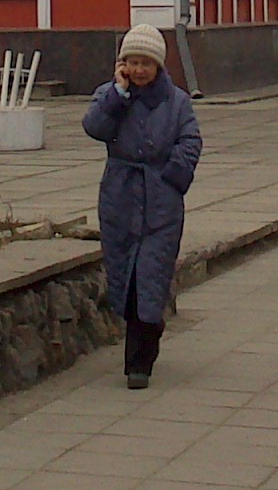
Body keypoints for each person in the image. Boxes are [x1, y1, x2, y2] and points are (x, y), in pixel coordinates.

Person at [83, 24, 203, 388]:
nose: (138, 70)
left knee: (150, 277)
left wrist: (171, 176)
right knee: (126, 278)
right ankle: (140, 345)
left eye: (145, 63)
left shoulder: (177, 101)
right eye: (132, 63)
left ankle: (140, 362)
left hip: (161, 203)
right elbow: (93, 126)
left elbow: (191, 140)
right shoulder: (111, 95)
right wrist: (117, 94)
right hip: (120, 198)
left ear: (158, 66)